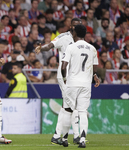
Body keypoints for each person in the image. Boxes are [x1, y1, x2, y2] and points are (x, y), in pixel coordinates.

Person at [35, 18, 82, 146]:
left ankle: (57, 136)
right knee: (73, 105)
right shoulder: (63, 37)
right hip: (64, 75)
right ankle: (76, 136)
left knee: (67, 106)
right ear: (71, 26)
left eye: (79, 25)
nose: (77, 27)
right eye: (75, 25)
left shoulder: (80, 41)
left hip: (75, 76)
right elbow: (50, 45)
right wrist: (42, 48)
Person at [61, 24, 100, 148]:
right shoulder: (92, 48)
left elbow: (63, 66)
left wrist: (65, 78)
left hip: (73, 82)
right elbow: (94, 67)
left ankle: (65, 139)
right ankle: (82, 140)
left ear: (75, 33)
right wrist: (94, 76)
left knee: (68, 110)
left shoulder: (71, 47)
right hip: (86, 84)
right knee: (83, 112)